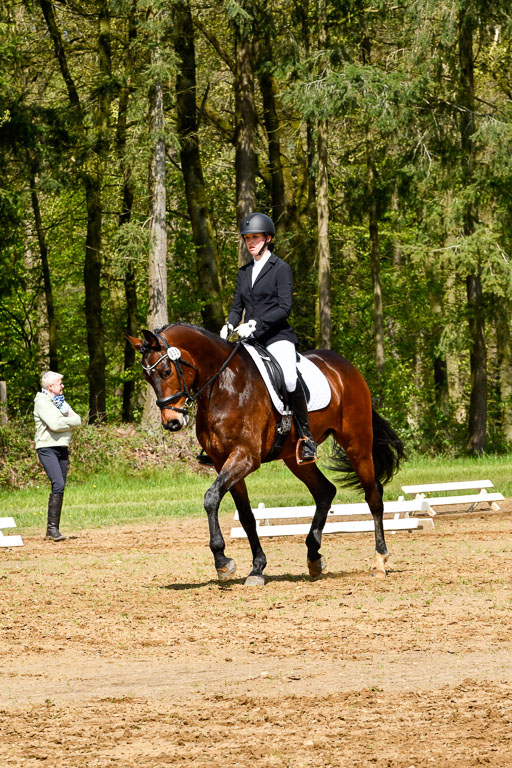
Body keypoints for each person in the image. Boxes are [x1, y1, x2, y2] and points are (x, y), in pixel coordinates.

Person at [220, 212, 317, 463]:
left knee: (289, 378)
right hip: (249, 340)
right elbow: (236, 306)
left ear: (268, 238)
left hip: (276, 337)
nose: (250, 242)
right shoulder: (244, 272)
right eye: (247, 238)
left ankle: (306, 438)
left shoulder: (281, 269)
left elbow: (284, 307)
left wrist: (255, 324)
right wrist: (229, 324)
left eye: (255, 238)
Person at [33, 371, 82, 541]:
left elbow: (78, 420)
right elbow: (54, 424)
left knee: (59, 487)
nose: (62, 386)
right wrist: (67, 423)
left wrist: (63, 423)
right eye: (60, 383)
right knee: (58, 483)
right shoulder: (42, 402)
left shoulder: (60, 402)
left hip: (62, 447)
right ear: (51, 386)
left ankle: (52, 530)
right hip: (47, 448)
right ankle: (52, 529)